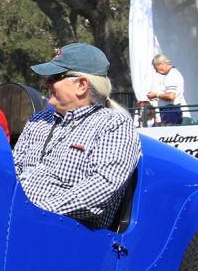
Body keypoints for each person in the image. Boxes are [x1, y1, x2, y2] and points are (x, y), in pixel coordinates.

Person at [12, 43, 140, 229]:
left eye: (54, 77)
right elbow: (13, 168)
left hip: (62, 232)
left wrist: (36, 212)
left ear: (81, 85)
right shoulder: (38, 120)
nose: (45, 84)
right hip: (18, 221)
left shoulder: (113, 123)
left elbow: (103, 186)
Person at [145, 53, 187, 125]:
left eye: (155, 68)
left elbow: (171, 96)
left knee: (170, 132)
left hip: (170, 111)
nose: (156, 71)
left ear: (161, 64)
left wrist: (157, 95)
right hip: (171, 110)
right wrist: (158, 97)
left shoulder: (172, 75)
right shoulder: (172, 74)